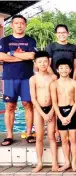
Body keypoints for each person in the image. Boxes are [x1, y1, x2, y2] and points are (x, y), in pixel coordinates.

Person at [0, 15, 37, 146]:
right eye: (16, 23)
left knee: (28, 105)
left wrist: (11, 54)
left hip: (27, 78)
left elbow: (32, 55)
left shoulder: (30, 40)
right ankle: (9, 135)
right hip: (9, 77)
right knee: (10, 106)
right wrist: (22, 57)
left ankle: (29, 133)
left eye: (22, 23)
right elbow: (0, 56)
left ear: (25, 25)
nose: (19, 25)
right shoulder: (5, 41)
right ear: (12, 25)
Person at [30, 51, 58, 172]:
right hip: (38, 110)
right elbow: (33, 98)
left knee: (52, 136)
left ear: (49, 62)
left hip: (51, 108)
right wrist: (43, 114)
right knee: (39, 137)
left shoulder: (53, 77)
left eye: (45, 61)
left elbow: (56, 97)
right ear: (35, 63)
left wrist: (51, 111)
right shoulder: (33, 79)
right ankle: (40, 162)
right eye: (40, 62)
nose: (42, 64)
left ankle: (55, 163)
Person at [50, 58, 76, 172]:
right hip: (60, 112)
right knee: (64, 139)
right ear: (57, 70)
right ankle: (67, 162)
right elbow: (54, 103)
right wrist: (61, 117)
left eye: (66, 67)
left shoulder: (74, 83)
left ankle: (74, 163)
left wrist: (69, 116)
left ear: (70, 69)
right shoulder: (54, 84)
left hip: (71, 111)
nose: (64, 70)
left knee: (73, 139)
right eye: (61, 68)